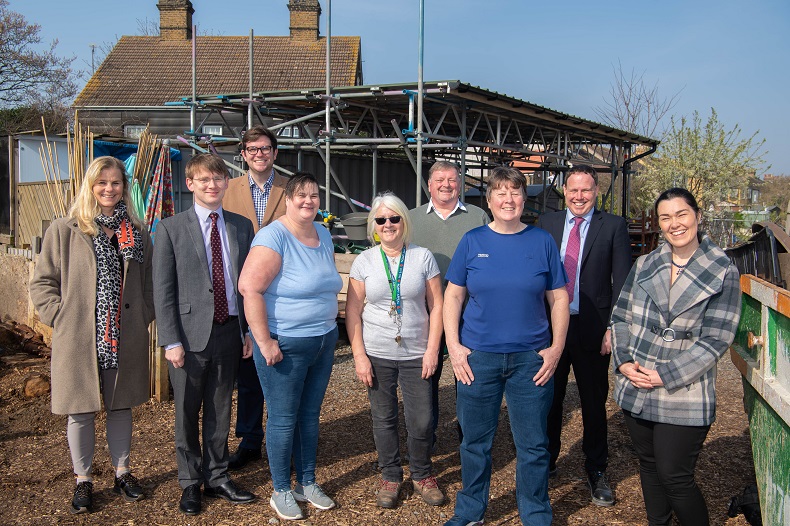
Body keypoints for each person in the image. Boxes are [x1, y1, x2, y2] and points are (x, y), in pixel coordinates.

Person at [443, 166, 569, 526]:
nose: (508, 199)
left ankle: (535, 514)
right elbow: (453, 295)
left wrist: (556, 348)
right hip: (477, 359)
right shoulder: (472, 240)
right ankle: (470, 512)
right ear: (489, 200)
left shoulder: (541, 241)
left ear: (524, 198)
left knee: (532, 445)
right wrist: (454, 345)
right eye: (500, 192)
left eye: (514, 192)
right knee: (474, 443)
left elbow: (559, 299)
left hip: (530, 361)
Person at [30, 156, 154, 514]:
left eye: (115, 183)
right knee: (80, 410)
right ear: (90, 186)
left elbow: (149, 285)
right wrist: (61, 316)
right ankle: (83, 479)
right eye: (102, 183)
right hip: (79, 336)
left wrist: (145, 315)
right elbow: (42, 283)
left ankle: (122, 471)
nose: (108, 189)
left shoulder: (138, 233)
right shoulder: (66, 229)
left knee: (120, 405)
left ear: (123, 188)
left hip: (123, 334)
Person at [609, 188, 741, 526]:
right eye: (665, 218)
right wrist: (623, 361)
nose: (674, 224)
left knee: (675, 476)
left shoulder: (722, 270)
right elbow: (620, 317)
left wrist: (664, 375)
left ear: (697, 216)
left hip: (684, 389)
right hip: (637, 381)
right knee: (650, 467)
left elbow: (717, 338)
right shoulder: (646, 263)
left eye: (681, 214)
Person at [153, 153, 256, 516]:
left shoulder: (242, 227)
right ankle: (189, 482)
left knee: (220, 408)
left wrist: (248, 331)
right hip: (188, 337)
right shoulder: (170, 228)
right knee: (185, 411)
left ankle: (217, 476)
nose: (212, 185)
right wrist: (171, 340)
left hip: (230, 331)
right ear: (190, 184)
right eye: (204, 180)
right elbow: (163, 290)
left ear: (227, 183)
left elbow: (247, 285)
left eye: (219, 179)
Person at [238, 172, 343, 521]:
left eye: (314, 195)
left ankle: (307, 482)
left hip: (324, 339)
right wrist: (264, 339)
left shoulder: (323, 233)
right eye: (301, 195)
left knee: (309, 416)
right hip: (286, 343)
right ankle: (281, 488)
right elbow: (249, 288)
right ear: (287, 199)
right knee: (283, 419)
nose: (308, 201)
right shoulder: (274, 236)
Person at [536, 164, 632, 506]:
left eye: (586, 190)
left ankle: (597, 469)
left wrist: (613, 327)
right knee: (549, 401)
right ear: (564, 190)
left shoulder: (614, 226)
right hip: (552, 330)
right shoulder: (546, 225)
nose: (579, 196)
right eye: (573, 190)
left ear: (596, 192)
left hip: (593, 329)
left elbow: (622, 282)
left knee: (593, 404)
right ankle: (545, 464)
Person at [346, 192, 445, 509]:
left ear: (404, 221)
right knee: (383, 418)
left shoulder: (423, 257)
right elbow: (352, 312)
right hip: (377, 354)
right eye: (381, 220)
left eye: (394, 218)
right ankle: (390, 475)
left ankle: (422, 473)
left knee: (422, 420)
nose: (388, 225)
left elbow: (437, 305)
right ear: (374, 226)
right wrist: (359, 356)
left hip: (417, 353)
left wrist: (433, 349)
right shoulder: (364, 261)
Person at [409, 160, 489, 444]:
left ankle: (468, 438)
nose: (446, 185)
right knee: (425, 378)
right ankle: (424, 440)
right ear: (429, 185)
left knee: (467, 376)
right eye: (440, 179)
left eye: (452, 179)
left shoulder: (478, 217)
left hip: (467, 314)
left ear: (460, 183)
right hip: (422, 313)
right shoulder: (411, 219)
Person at [222, 125, 288, 470]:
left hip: (281, 291)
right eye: (252, 149)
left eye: (265, 148)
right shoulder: (228, 189)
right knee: (248, 372)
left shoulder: (290, 190)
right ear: (244, 154)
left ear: (275, 153)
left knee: (282, 370)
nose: (259, 154)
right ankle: (249, 440)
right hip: (241, 289)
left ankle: (286, 438)